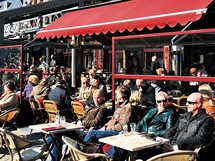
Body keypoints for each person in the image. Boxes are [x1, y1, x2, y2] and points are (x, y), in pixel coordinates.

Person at [46, 89, 112, 161]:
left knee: (57, 132)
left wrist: (83, 123)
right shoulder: (92, 106)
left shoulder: (102, 108)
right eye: (95, 97)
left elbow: (96, 122)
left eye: (98, 97)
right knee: (57, 136)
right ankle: (51, 154)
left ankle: (46, 146)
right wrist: (78, 121)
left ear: (103, 97)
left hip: (85, 132)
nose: (96, 99)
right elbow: (83, 117)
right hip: (79, 128)